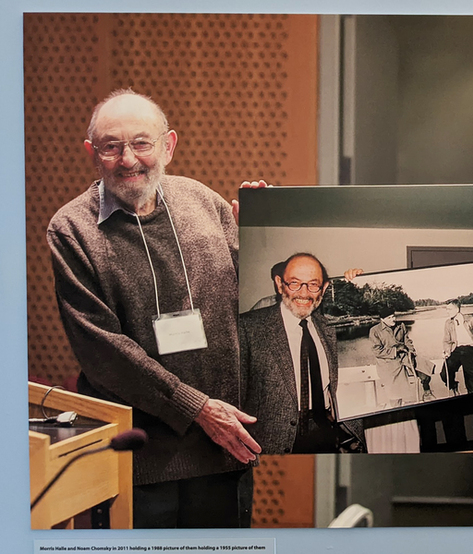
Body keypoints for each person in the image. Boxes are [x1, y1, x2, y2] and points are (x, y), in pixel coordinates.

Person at [47, 89, 259, 528]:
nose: (128, 159)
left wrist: (260, 244)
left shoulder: (206, 203)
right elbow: (103, 352)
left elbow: (257, 306)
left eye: (141, 143)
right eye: (111, 146)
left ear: (168, 145)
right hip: (139, 456)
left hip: (223, 447)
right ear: (92, 152)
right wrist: (197, 407)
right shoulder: (71, 229)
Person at [239, 253, 365, 454]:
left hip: (326, 435)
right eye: (295, 283)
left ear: (323, 289)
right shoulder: (247, 328)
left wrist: (358, 282)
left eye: (313, 285)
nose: (304, 293)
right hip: (270, 445)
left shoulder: (330, 329)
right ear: (280, 284)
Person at [369, 308, 433, 405]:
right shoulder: (375, 331)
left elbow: (407, 341)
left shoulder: (400, 326)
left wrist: (411, 351)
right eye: (389, 317)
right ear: (382, 319)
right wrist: (395, 350)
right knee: (395, 392)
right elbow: (377, 351)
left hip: (405, 357)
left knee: (425, 367)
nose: (393, 319)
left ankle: (427, 393)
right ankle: (396, 409)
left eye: (393, 316)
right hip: (388, 362)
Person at [441, 299, 473, 395]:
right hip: (456, 350)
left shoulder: (469, 319)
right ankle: (453, 386)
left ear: (457, 309)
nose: (447, 311)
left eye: (450, 309)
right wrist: (447, 351)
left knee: (471, 379)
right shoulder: (448, 323)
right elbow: (446, 341)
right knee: (444, 374)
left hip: (471, 350)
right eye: (446, 309)